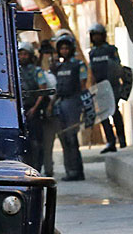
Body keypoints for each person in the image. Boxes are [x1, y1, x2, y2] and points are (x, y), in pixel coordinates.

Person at [52, 35, 87, 180]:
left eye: (66, 48)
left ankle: (77, 171)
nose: (64, 51)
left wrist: (83, 104)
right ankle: (69, 170)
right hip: (61, 103)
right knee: (64, 139)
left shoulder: (78, 65)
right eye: (62, 48)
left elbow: (83, 84)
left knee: (72, 137)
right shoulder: (58, 67)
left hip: (73, 102)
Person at [87, 23, 126, 152]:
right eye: (94, 36)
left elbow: (117, 66)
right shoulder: (92, 53)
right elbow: (92, 70)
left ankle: (121, 138)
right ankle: (110, 142)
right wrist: (92, 87)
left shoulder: (111, 49)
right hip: (100, 86)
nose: (96, 38)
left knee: (114, 111)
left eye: (98, 35)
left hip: (112, 85)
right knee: (103, 114)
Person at [18, 42, 52, 171]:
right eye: (20, 54)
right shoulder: (16, 71)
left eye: (25, 54)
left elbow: (42, 91)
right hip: (21, 110)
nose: (22, 56)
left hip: (34, 110)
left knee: (37, 141)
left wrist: (34, 109)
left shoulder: (37, 71)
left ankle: (37, 166)